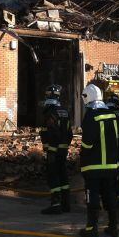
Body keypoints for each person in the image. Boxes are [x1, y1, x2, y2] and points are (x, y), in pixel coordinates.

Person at [79, 83, 119, 237]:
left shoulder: (91, 115)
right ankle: (113, 226)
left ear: (87, 97)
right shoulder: (112, 115)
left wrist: (82, 156)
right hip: (111, 166)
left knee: (93, 196)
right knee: (110, 195)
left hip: (93, 166)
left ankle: (92, 229)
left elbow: (87, 143)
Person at [39, 84, 73, 214]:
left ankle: (55, 204)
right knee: (63, 175)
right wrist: (64, 146)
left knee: (53, 176)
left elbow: (52, 133)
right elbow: (69, 133)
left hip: (54, 151)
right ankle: (66, 204)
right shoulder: (64, 111)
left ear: (48, 95)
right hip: (63, 150)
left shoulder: (50, 112)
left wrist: (51, 150)